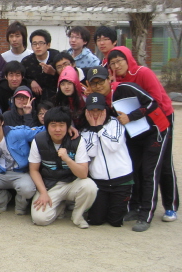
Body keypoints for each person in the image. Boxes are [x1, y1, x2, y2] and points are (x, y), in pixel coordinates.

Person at [109, 47, 177, 222]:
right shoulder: (115, 80)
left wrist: (132, 116)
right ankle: (137, 205)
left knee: (163, 164)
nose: (116, 66)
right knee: (137, 165)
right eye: (112, 63)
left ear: (128, 59)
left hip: (160, 118)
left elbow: (156, 101)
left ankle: (170, 206)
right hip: (136, 126)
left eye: (119, 61)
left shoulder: (143, 73)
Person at [28, 106, 96, 229]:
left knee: (90, 186)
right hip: (50, 184)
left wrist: (67, 159)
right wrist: (43, 193)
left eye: (62, 125)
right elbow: (33, 170)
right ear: (47, 126)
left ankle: (77, 216)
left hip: (71, 182)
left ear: (68, 126)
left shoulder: (77, 140)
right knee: (40, 219)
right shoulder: (38, 140)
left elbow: (83, 174)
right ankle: (60, 206)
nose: (57, 129)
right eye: (53, 125)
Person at [0, 105, 41, 215]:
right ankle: (2, 201)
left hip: (20, 173)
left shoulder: (16, 133)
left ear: (2, 122)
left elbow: (41, 131)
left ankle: (20, 206)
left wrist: (68, 128)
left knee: (27, 188)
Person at [80, 93, 133, 227]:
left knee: (115, 221)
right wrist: (93, 128)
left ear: (105, 110)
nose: (95, 114)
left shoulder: (116, 123)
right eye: (92, 110)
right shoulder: (84, 131)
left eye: (99, 110)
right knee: (96, 220)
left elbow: (113, 145)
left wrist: (100, 128)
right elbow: (90, 152)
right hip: (100, 181)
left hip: (121, 178)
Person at [22, 29, 59, 101]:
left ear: (48, 45)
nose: (37, 46)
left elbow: (67, 76)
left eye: (41, 43)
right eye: (34, 44)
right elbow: (21, 78)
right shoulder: (26, 61)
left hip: (56, 98)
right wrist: (30, 82)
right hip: (34, 100)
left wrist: (54, 73)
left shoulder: (57, 58)